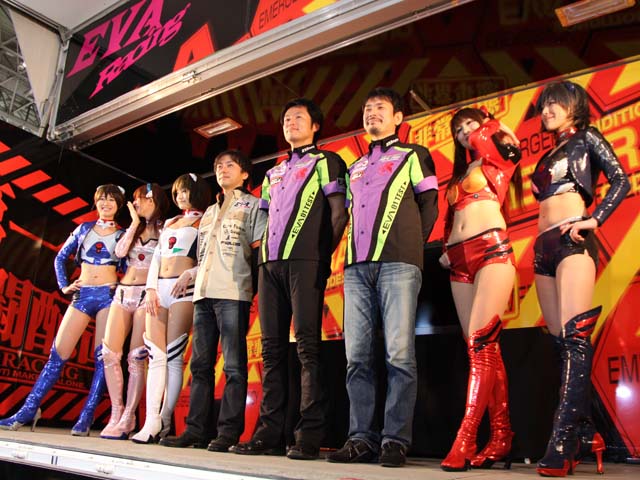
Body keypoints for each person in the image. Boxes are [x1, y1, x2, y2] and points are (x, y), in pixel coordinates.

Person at [327, 87, 438, 467]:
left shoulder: (413, 154)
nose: (372, 112)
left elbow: (430, 205)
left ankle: (395, 439)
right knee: (356, 357)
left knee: (399, 355)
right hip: (356, 268)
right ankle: (360, 438)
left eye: (380, 107)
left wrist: (412, 250)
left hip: (398, 266)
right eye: (367, 108)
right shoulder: (355, 167)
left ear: (398, 118)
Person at [233, 98, 347, 460]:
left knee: (308, 348)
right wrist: (260, 263)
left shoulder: (327, 161)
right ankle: (269, 433)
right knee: (271, 350)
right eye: (286, 118)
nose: (290, 122)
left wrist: (321, 256)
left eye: (298, 117)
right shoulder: (273, 173)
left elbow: (339, 213)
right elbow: (265, 222)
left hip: (306, 262)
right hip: (270, 265)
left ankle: (309, 434)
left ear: (315, 126)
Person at [531, 81, 629, 477]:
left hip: (573, 239)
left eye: (555, 102)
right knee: (561, 346)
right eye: (544, 104)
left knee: (574, 339)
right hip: (543, 248)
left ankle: (564, 440)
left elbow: (620, 179)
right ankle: (588, 433)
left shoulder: (588, 137)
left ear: (574, 105)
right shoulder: (547, 153)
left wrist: (595, 219)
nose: (547, 109)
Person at [160, 150, 266, 452]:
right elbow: (204, 255)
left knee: (233, 366)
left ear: (245, 173)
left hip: (233, 292)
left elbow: (258, 252)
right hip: (203, 294)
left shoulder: (254, 205)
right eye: (219, 165)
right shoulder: (207, 212)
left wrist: (252, 289)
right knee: (200, 365)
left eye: (230, 165)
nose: (223, 169)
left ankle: (228, 432)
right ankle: (195, 430)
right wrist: (193, 275)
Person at [0, 184, 125, 435]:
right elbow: (60, 257)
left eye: (111, 200)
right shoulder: (84, 229)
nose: (106, 203)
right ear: (96, 202)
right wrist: (64, 286)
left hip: (108, 297)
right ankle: (28, 410)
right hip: (82, 294)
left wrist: (122, 288)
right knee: (57, 355)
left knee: (102, 358)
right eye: (102, 199)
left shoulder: (124, 235)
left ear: (119, 205)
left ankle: (86, 416)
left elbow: (134, 266)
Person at [438, 107, 522, 471]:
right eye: (458, 129)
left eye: (469, 124)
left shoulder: (498, 158)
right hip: (459, 261)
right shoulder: (463, 172)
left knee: (480, 342)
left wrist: (487, 124)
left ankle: (466, 437)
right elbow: (451, 217)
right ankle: (501, 436)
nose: (464, 132)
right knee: (483, 349)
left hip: (491, 249)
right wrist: (446, 248)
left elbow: (490, 140)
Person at [131, 173, 211, 444]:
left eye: (185, 191)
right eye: (177, 192)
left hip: (184, 291)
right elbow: (156, 257)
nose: (180, 196)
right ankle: (151, 421)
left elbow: (209, 257)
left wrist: (190, 274)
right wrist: (150, 288)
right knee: (155, 355)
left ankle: (163, 420)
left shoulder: (206, 219)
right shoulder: (170, 222)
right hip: (159, 289)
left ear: (197, 192)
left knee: (174, 357)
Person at [100, 183, 169, 439]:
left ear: (153, 199)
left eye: (139, 199)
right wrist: (133, 223)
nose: (135, 203)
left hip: (146, 294)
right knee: (109, 353)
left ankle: (129, 416)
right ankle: (116, 412)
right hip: (123, 291)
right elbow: (119, 252)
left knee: (137, 357)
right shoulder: (134, 227)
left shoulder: (166, 228)